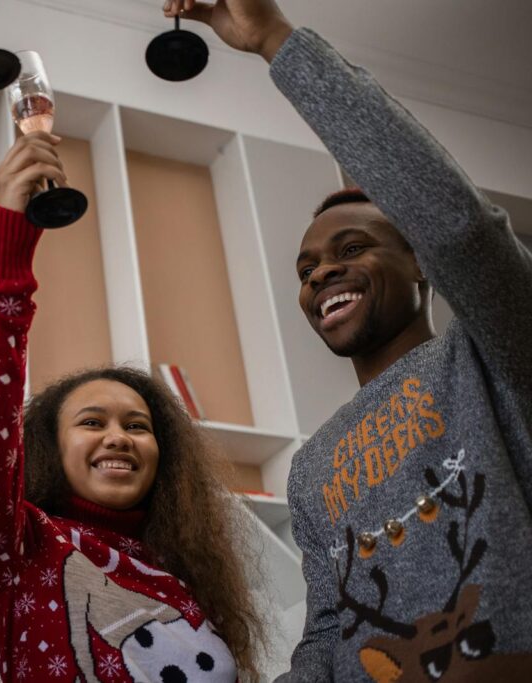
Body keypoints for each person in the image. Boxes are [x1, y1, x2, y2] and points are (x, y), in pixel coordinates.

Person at [164, 0, 532, 679]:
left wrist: (276, 40)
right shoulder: (311, 467)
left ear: (420, 261)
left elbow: (463, 230)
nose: (321, 271)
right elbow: (329, 630)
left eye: (352, 246)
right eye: (305, 271)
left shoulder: (494, 350)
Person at [0, 132, 264, 682]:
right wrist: (11, 245)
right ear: (48, 449)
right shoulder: (19, 552)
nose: (119, 437)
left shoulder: (186, 575)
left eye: (138, 426)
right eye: (92, 422)